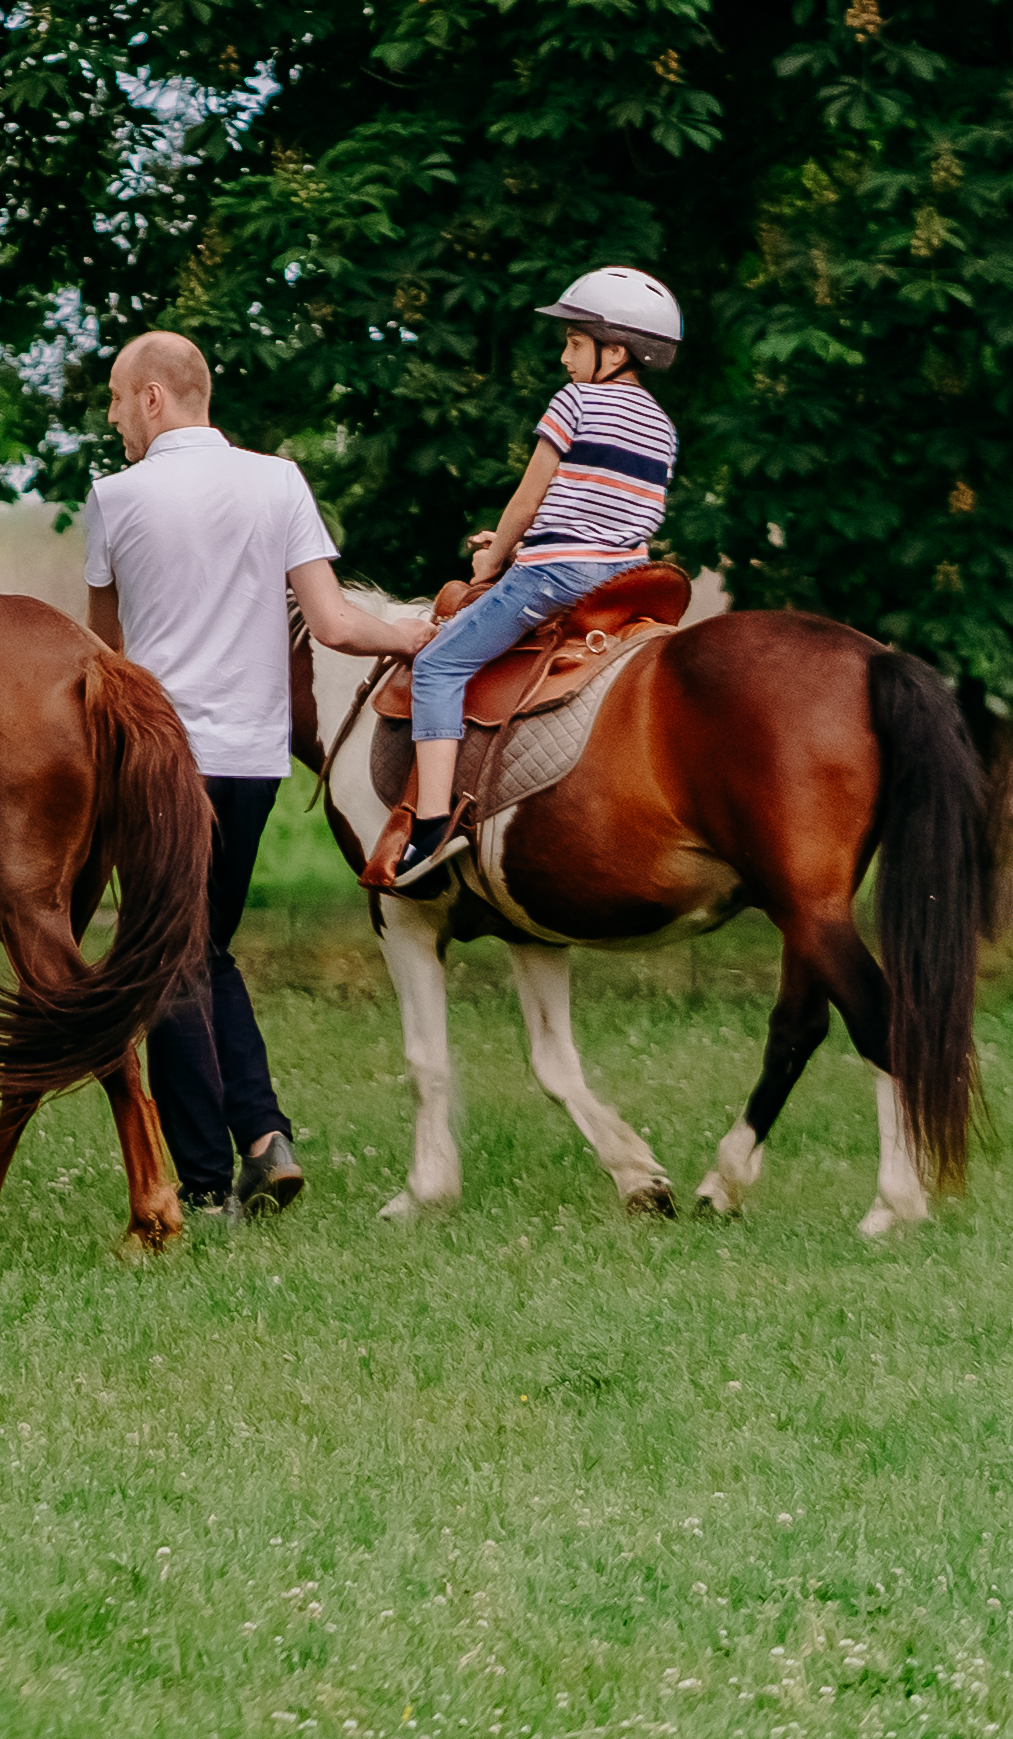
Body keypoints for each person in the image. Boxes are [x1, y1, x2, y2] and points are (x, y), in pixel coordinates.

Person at [80, 330, 435, 1215]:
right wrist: (414, 635)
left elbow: (102, 651)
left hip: (162, 760)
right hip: (252, 758)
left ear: (156, 398)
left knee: (167, 962)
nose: (115, 416)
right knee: (203, 950)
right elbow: (335, 622)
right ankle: (266, 1138)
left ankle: (203, 1187)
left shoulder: (115, 497)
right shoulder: (280, 481)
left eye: (120, 398)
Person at [382, 265, 685, 893]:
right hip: (624, 577)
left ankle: (432, 826)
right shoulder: (662, 427)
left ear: (615, 350)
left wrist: (496, 556)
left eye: (575, 342)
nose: (564, 354)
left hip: (555, 576)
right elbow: (607, 512)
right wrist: (527, 540)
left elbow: (529, 496)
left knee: (438, 665)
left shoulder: (575, 400)